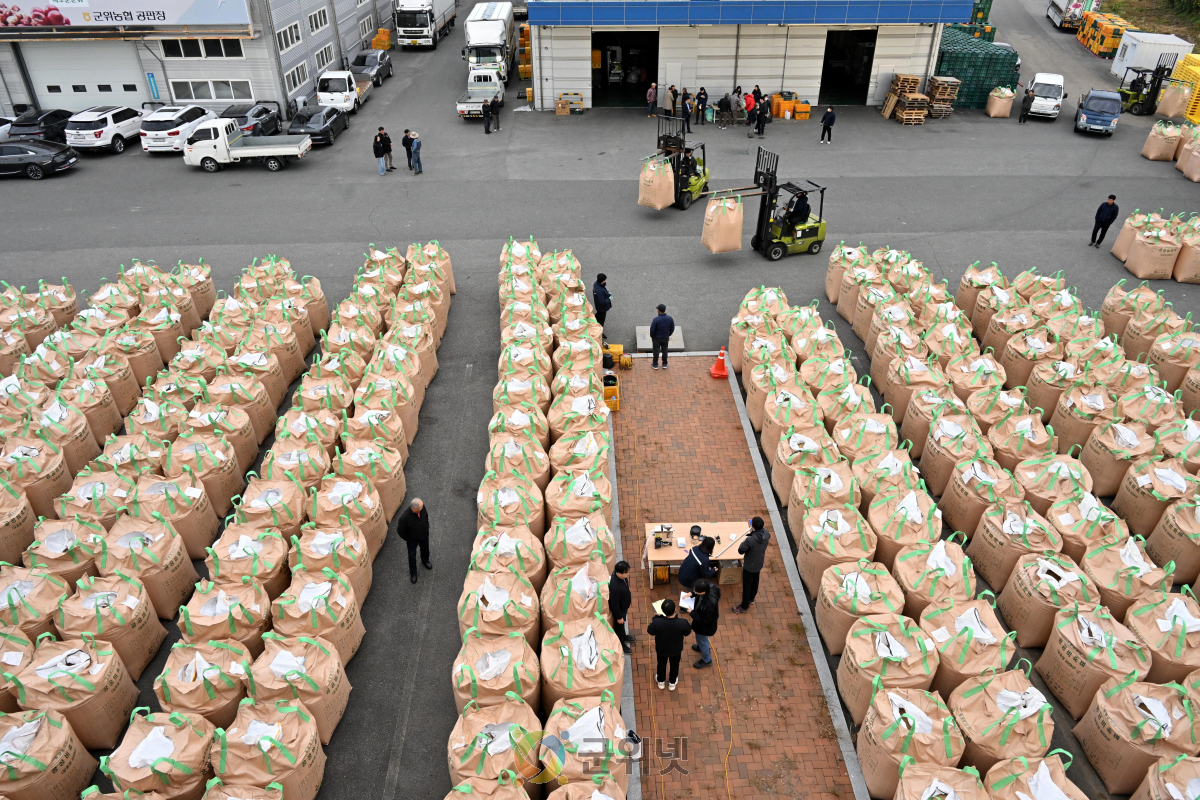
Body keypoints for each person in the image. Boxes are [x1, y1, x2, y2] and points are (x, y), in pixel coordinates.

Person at [647, 598, 691, 690]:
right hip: (676, 649)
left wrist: (656, 617)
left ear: (662, 611)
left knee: (661, 664)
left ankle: (661, 681)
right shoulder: (683, 622)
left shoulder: (657, 622)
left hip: (661, 648)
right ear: (675, 610)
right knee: (675, 665)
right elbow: (687, 632)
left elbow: (650, 631)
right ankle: (672, 683)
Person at [733, 517, 771, 613]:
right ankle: (751, 599)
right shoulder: (766, 534)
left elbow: (741, 550)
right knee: (755, 581)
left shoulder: (750, 540)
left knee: (747, 587)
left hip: (750, 566)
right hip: (759, 563)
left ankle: (744, 607)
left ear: (753, 526)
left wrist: (744, 542)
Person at [396, 498, 431, 583]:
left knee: (425, 549)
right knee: (412, 556)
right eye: (421, 508)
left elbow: (426, 516)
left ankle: (425, 561)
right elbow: (400, 531)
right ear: (415, 509)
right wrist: (409, 539)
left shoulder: (422, 507)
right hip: (412, 540)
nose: (422, 508)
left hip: (424, 535)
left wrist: (427, 526)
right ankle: (413, 573)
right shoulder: (404, 517)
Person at [688, 579, 720, 669]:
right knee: (701, 640)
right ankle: (700, 647)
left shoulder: (709, 606)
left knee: (703, 641)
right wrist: (691, 594)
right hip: (702, 625)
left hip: (704, 627)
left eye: (696, 591)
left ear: (703, 592)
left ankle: (707, 660)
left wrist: (692, 613)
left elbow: (706, 621)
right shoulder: (709, 588)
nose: (695, 592)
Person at [609, 561, 634, 654]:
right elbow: (614, 603)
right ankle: (622, 644)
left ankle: (624, 636)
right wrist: (619, 617)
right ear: (619, 573)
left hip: (623, 607)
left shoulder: (622, 577)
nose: (628, 573)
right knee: (619, 627)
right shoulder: (615, 587)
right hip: (619, 610)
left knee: (622, 625)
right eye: (626, 572)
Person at [649, 303, 674, 370]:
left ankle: (655, 364)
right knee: (665, 350)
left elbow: (652, 330)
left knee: (656, 351)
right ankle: (664, 364)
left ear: (659, 310)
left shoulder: (656, 319)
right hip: (665, 337)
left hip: (657, 338)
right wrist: (668, 334)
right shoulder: (670, 318)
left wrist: (652, 336)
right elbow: (672, 328)